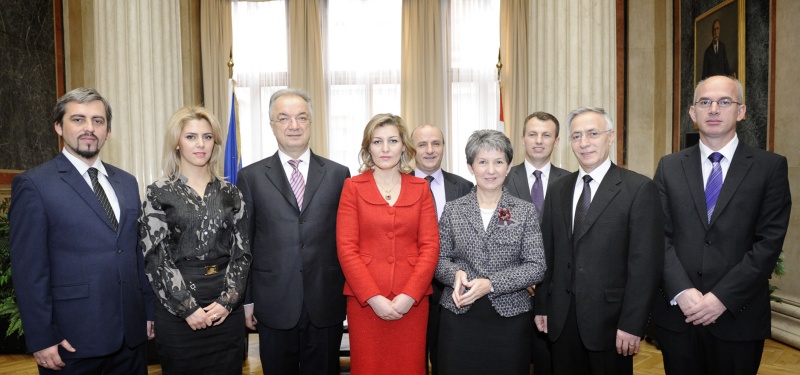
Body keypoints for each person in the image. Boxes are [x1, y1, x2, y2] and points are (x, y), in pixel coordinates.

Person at [652, 76, 791, 375]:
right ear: (693, 113)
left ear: (741, 111)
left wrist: (721, 298)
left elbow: (768, 244)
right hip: (680, 317)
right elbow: (657, 237)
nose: (713, 109)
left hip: (738, 317)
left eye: (724, 102)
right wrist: (682, 291)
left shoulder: (770, 168)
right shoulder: (669, 167)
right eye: (705, 102)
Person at [9, 87, 154, 374]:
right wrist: (41, 336)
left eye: (98, 121)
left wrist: (148, 312)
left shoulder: (126, 182)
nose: (89, 128)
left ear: (108, 131)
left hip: (131, 338)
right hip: (71, 342)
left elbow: (136, 252)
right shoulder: (35, 184)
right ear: (58, 127)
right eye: (78, 119)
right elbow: (29, 269)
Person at [533, 107, 663, 375]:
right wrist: (543, 307)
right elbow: (550, 253)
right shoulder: (558, 189)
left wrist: (633, 324)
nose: (584, 143)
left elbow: (645, 266)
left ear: (610, 137)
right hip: (561, 319)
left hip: (612, 323)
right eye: (577, 136)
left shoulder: (638, 189)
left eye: (593, 133)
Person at [236, 88, 351, 374]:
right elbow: (244, 244)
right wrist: (247, 300)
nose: (294, 125)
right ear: (272, 124)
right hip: (273, 303)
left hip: (326, 301)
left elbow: (346, 240)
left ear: (311, 122)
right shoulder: (250, 177)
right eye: (284, 118)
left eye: (301, 117)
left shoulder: (339, 174)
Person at [139, 106, 251, 373]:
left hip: (226, 310)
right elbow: (155, 257)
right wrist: (187, 308)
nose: (200, 144)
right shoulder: (158, 192)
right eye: (191, 137)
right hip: (177, 312)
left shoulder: (231, 192)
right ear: (177, 143)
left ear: (215, 143)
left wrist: (227, 302)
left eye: (207, 137)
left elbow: (242, 252)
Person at [435, 129, 546, 375]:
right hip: (459, 314)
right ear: (470, 166)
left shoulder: (523, 211)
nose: (491, 170)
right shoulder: (453, 210)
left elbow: (536, 265)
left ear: (508, 167)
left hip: (509, 319)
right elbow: (439, 260)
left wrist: (491, 283)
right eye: (482, 162)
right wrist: (456, 274)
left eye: (498, 162)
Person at [337, 114, 440, 374]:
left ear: (404, 146)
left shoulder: (420, 188)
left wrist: (410, 296)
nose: (385, 149)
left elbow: (430, 247)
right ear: (368, 148)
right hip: (366, 303)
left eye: (392, 141)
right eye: (377, 141)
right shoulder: (352, 187)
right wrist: (373, 297)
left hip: (412, 303)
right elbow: (347, 248)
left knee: (410, 366)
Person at [503, 111, 569, 375]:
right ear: (522, 139)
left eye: (546, 135)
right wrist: (525, 275)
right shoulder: (503, 179)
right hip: (512, 290)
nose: (539, 141)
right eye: (532, 134)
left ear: (557, 140)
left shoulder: (571, 182)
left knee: (549, 361)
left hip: (555, 290)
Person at [409, 124, 473, 375]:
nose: (429, 150)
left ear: (444, 147)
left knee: (446, 357)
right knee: (412, 357)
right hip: (410, 286)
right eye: (422, 144)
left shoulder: (465, 187)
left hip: (450, 289)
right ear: (411, 148)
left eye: (436, 143)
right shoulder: (398, 184)